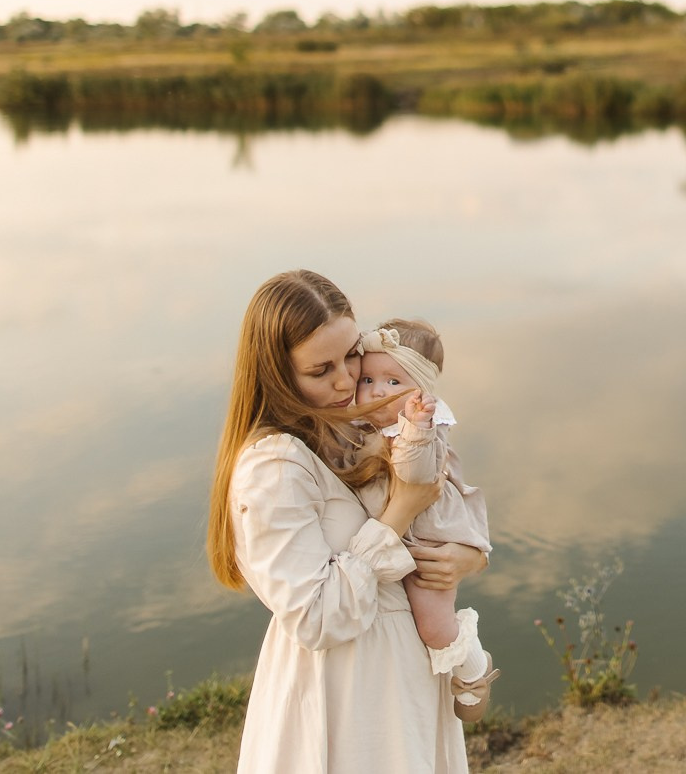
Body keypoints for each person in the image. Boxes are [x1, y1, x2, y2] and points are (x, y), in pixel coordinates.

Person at [207, 270, 488, 773]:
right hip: (345, 694)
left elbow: (436, 509)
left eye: (351, 355)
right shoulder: (273, 468)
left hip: (398, 678)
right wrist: (400, 511)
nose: (346, 381)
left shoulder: (349, 426)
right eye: (321, 370)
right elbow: (317, 618)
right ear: (276, 374)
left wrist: (466, 557)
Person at [352, 318, 498, 713]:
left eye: (393, 382)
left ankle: (474, 669)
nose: (377, 391)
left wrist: (415, 429)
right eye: (367, 380)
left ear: (420, 390)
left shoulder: (423, 427)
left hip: (427, 540)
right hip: (397, 536)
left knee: (433, 625)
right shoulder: (363, 424)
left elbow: (414, 476)